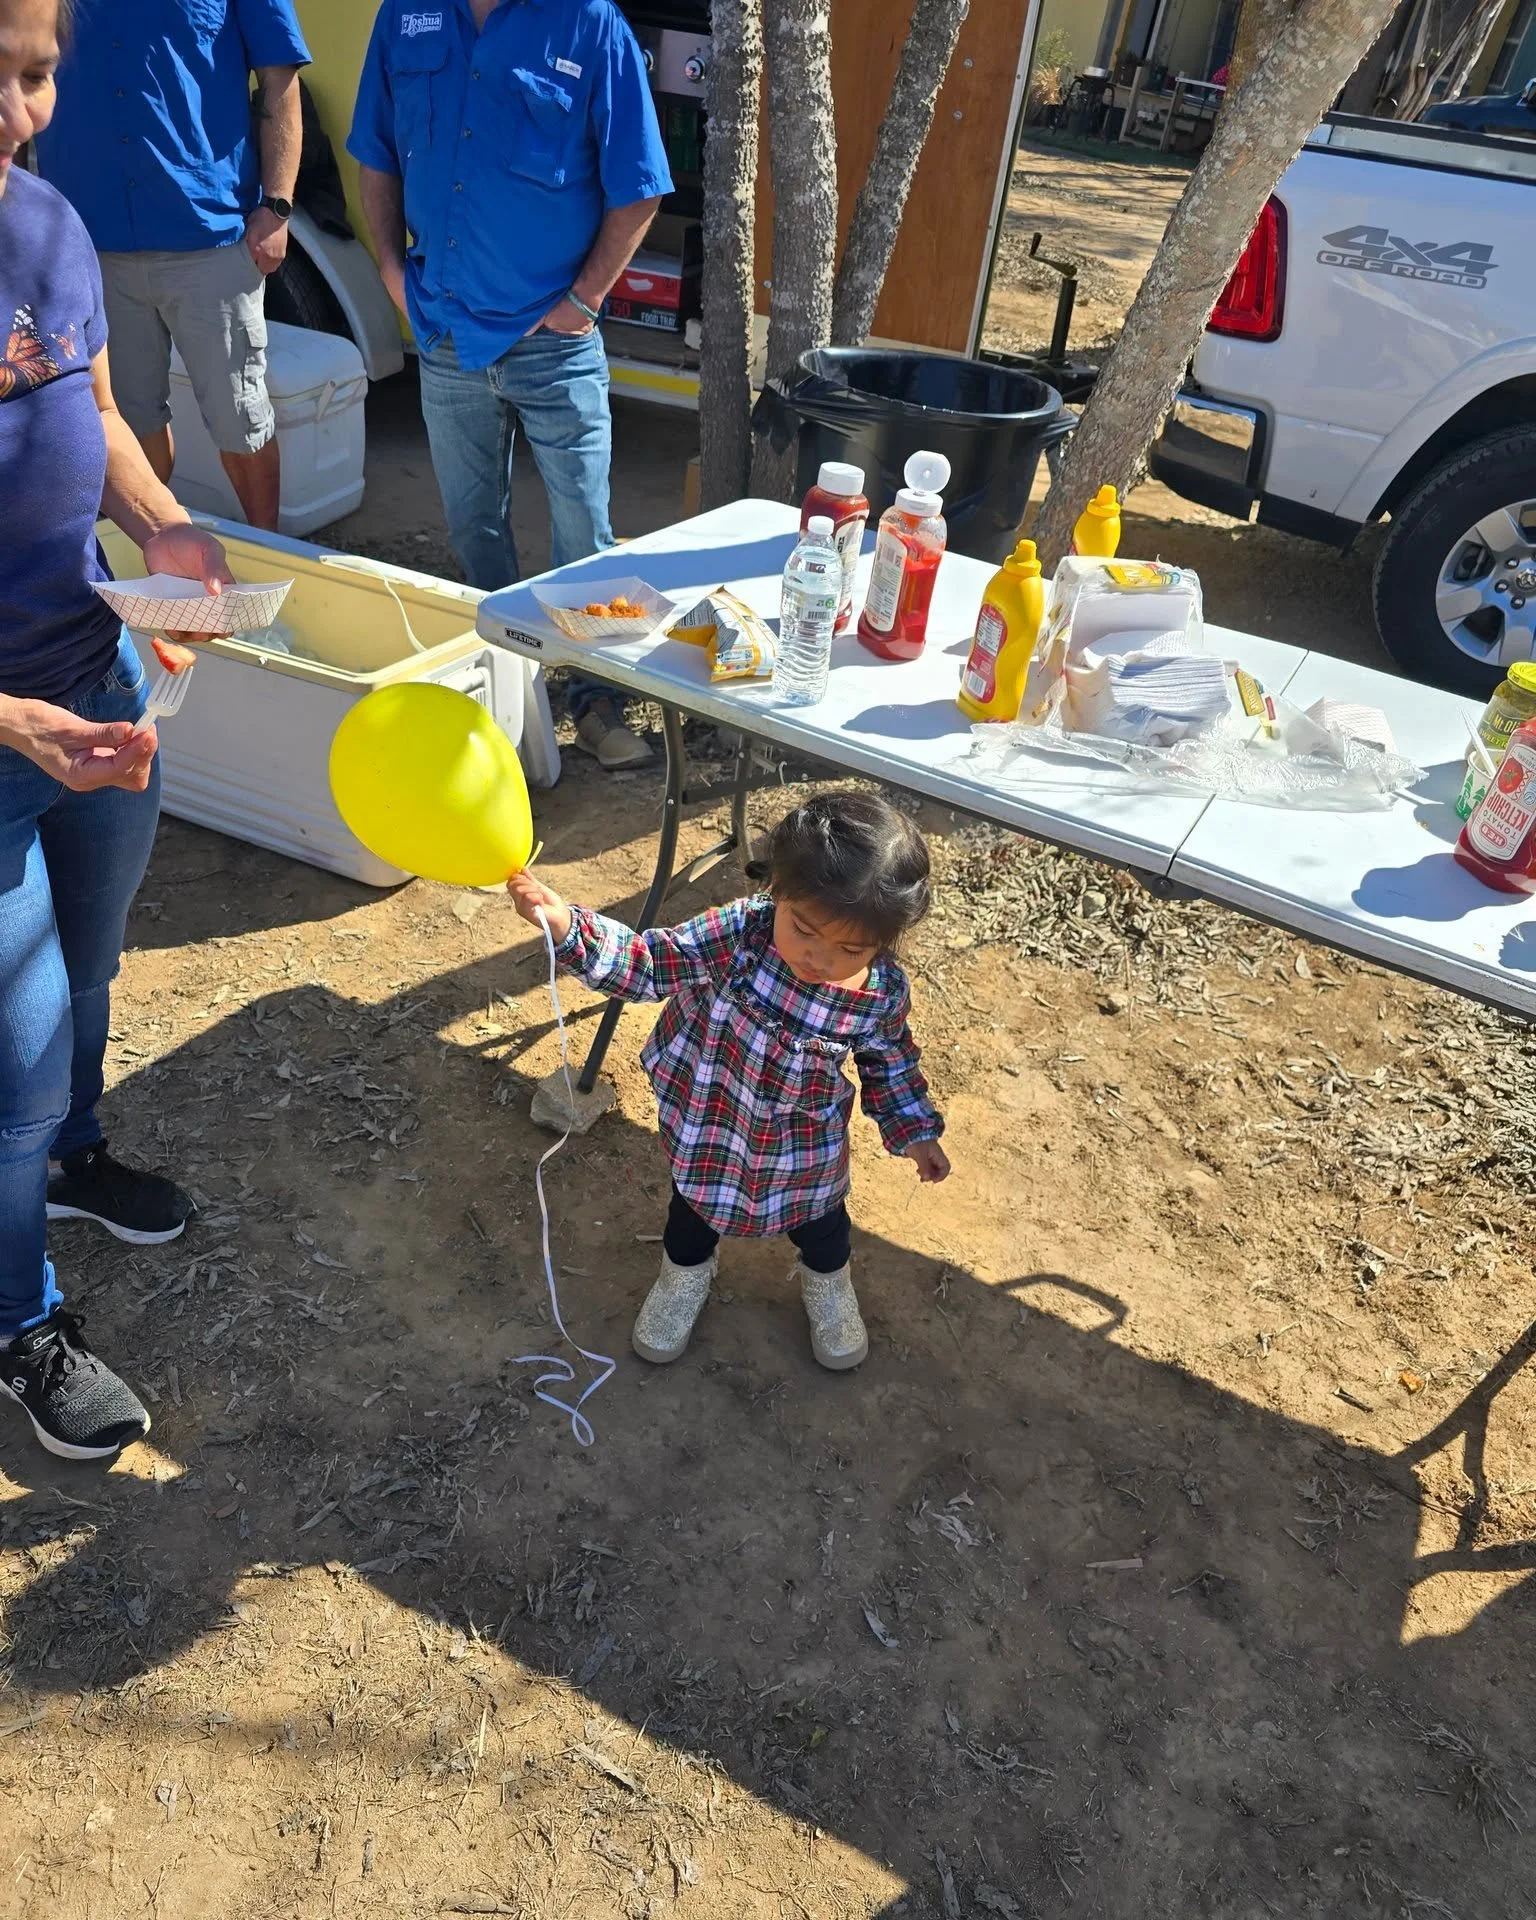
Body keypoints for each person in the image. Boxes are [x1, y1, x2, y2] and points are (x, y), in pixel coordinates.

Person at [1, 0, 235, 1459]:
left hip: (92, 683)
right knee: (12, 1058)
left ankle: (74, 1158)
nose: (16, 115)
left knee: (88, 967)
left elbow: (89, 403)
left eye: (35, 76)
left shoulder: (50, 223)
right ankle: (18, 1319)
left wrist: (164, 531)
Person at [509, 794, 952, 1371]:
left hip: (801, 1138)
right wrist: (571, 928)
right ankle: (684, 1275)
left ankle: (828, 1284)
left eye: (850, 949)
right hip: (712, 1116)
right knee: (693, 1208)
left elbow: (889, 1065)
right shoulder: (740, 934)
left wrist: (916, 1132)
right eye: (804, 929)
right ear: (778, 890)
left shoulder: (879, 994)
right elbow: (651, 963)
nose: (819, 958)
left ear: (884, 941)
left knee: (822, 1221)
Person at [347, 0, 673, 773]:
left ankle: (595, 701)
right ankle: (507, 690)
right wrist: (391, 272)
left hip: (554, 344)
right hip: (447, 335)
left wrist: (584, 301)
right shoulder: (407, 15)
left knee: (584, 536)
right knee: (473, 527)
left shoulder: (591, 24)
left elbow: (639, 184)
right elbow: (376, 153)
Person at [33, 0, 310, 533]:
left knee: (241, 420)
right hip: (89, 244)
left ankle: (269, 550)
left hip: (209, 236)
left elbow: (279, 78)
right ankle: (156, 552)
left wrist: (277, 206)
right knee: (125, 421)